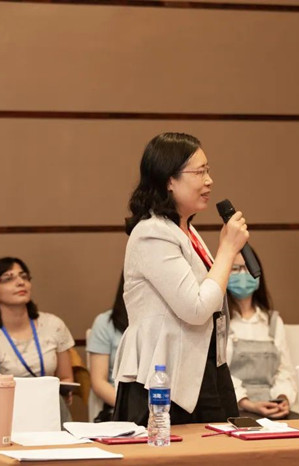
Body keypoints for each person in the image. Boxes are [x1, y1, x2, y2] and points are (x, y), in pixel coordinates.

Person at [112, 132, 249, 425]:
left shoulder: (185, 230)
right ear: (169, 181)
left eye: (208, 170)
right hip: (163, 378)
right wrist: (227, 249)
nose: (209, 180)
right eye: (199, 172)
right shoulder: (152, 232)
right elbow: (196, 309)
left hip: (205, 368)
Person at [0, 257, 75, 424]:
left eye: (24, 276)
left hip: (51, 409)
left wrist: (65, 389)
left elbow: (66, 377)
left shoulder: (53, 325)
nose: (20, 282)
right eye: (8, 278)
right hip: (10, 414)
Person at [226, 251, 297, 419]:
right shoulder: (220, 321)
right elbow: (219, 376)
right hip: (233, 409)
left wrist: (283, 398)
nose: (243, 274)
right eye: (235, 269)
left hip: (272, 410)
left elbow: (285, 371)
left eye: (247, 268)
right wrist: (247, 403)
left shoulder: (273, 321)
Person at [87, 275, 127, 422]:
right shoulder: (105, 322)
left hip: (161, 407)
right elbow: (99, 382)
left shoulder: (166, 324)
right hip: (119, 408)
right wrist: (131, 407)